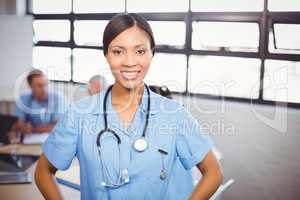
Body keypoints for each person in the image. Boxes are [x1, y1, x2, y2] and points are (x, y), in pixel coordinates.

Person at [35, 13, 223, 200]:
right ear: (107, 55)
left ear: (152, 53)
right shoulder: (79, 114)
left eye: (140, 51)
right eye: (118, 51)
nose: (130, 62)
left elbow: (213, 172)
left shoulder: (174, 115)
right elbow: (43, 172)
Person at [15, 69, 68, 134]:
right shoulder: (22, 99)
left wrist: (34, 129)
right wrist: (23, 127)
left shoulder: (58, 98)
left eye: (45, 84)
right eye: (39, 86)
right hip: (31, 139)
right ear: (30, 86)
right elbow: (19, 122)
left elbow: (58, 126)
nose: (44, 89)